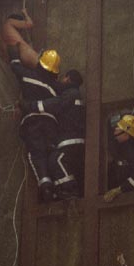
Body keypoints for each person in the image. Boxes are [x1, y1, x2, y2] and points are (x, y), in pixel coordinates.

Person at [9, 44, 62, 202]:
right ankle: (57, 186)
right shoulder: (57, 88)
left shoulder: (28, 76)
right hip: (51, 124)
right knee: (51, 153)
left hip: (33, 122)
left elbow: (15, 66)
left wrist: (14, 51)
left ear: (40, 63)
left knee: (37, 154)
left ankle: (46, 186)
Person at [25, 69, 85, 200]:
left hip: (69, 140)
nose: (61, 80)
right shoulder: (75, 94)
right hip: (75, 140)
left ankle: (70, 190)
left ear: (68, 78)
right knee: (58, 162)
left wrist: (29, 106)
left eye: (63, 78)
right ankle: (61, 192)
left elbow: (52, 104)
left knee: (56, 160)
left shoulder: (70, 94)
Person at [103, 114, 134, 202]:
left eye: (118, 128)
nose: (114, 132)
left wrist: (120, 189)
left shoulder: (133, 151)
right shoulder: (122, 148)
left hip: (133, 198)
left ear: (126, 134)